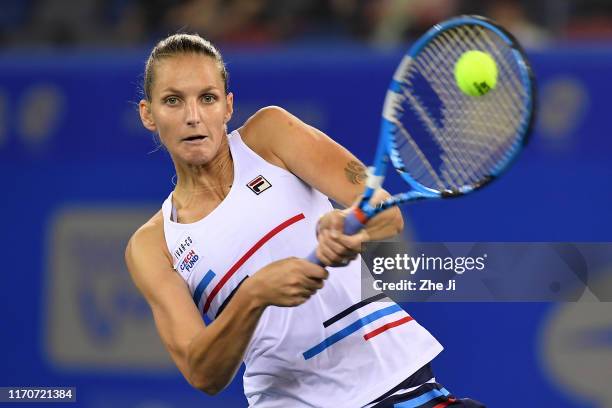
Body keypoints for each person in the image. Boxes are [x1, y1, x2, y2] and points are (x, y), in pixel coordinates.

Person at [125, 33, 484, 408]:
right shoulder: (153, 246)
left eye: (208, 98)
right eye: (172, 101)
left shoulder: (270, 135)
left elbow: (385, 212)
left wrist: (350, 229)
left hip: (394, 383)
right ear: (148, 114)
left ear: (228, 107)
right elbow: (202, 373)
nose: (193, 116)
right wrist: (253, 295)